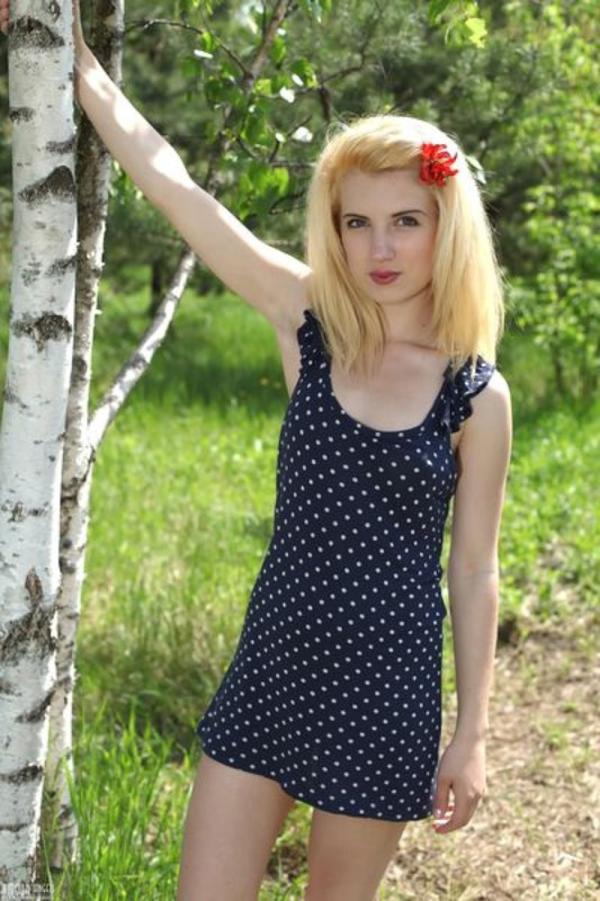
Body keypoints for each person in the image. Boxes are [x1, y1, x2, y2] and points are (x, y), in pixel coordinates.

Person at [1, 3, 512, 899]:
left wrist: (470, 736)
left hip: (384, 694)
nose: (380, 248)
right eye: (357, 223)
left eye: (406, 220)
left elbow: (473, 571)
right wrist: (75, 59)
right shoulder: (308, 317)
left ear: (447, 225)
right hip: (273, 668)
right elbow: (180, 192)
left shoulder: (475, 392)